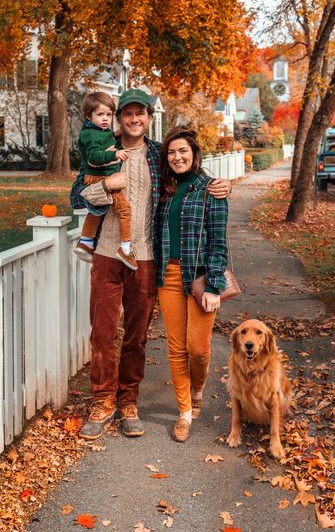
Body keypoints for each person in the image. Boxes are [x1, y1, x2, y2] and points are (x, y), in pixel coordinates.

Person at [71, 88, 231, 441]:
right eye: (127, 113)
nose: (134, 119)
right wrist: (106, 187)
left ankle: (128, 402)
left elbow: (190, 177)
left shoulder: (159, 154)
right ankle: (102, 401)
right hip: (108, 256)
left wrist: (222, 186)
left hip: (146, 259)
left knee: (137, 336)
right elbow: (76, 195)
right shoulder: (102, 149)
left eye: (140, 113)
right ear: (118, 118)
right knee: (102, 333)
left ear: (148, 117)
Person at [156, 127, 228, 443]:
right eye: (171, 152)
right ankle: (184, 413)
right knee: (175, 347)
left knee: (197, 348)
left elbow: (219, 241)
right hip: (168, 277)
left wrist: (214, 285)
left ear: (194, 153)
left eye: (182, 151)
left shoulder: (211, 189)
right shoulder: (165, 190)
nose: (177, 157)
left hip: (199, 278)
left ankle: (198, 388)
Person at [74, 91, 137, 270]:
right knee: (124, 210)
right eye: (100, 114)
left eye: (108, 114)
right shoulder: (92, 135)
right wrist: (115, 153)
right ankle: (125, 248)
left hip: (99, 177)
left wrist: (115, 135)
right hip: (101, 177)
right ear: (88, 116)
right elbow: (94, 156)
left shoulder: (97, 131)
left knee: (97, 210)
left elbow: (103, 140)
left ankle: (85, 242)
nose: (105, 119)